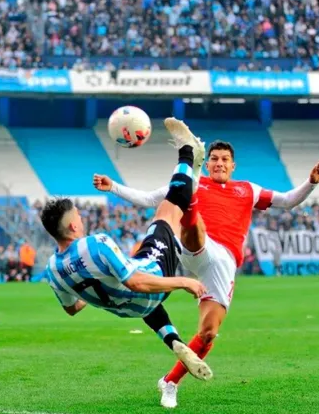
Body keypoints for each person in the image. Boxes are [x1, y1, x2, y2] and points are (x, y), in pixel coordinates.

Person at [93, 118, 319, 408]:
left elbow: (287, 200)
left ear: (233, 166)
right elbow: (148, 199)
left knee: (207, 333)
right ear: (207, 165)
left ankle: (169, 383)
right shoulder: (194, 184)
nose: (219, 163)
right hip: (189, 243)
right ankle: (189, 201)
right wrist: (114, 187)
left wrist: (311, 182)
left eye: (225, 160)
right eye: (214, 159)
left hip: (223, 262)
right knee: (190, 223)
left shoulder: (248, 190)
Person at [40, 130, 213, 381]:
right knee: (169, 209)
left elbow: (72, 308)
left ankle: (174, 341)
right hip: (152, 279)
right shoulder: (96, 244)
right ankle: (187, 151)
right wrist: (184, 282)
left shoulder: (53, 270)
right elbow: (137, 282)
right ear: (73, 227)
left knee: (131, 290)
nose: (81, 218)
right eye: (78, 215)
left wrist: (99, 287)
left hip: (131, 309)